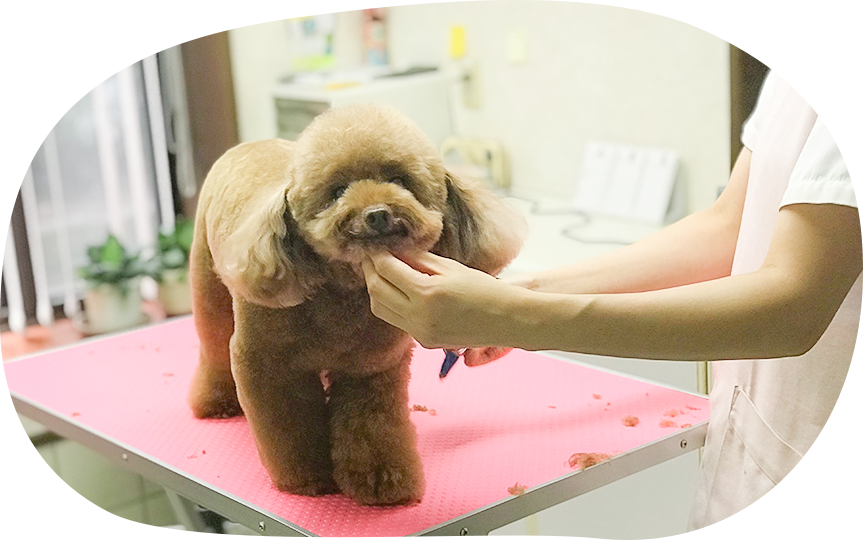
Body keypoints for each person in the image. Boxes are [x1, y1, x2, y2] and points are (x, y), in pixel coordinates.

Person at [361, 1, 863, 538]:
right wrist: (525, 290)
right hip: (759, 459)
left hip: (828, 482)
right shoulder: (818, 12)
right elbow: (729, 226)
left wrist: (512, 315)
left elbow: (795, 303)